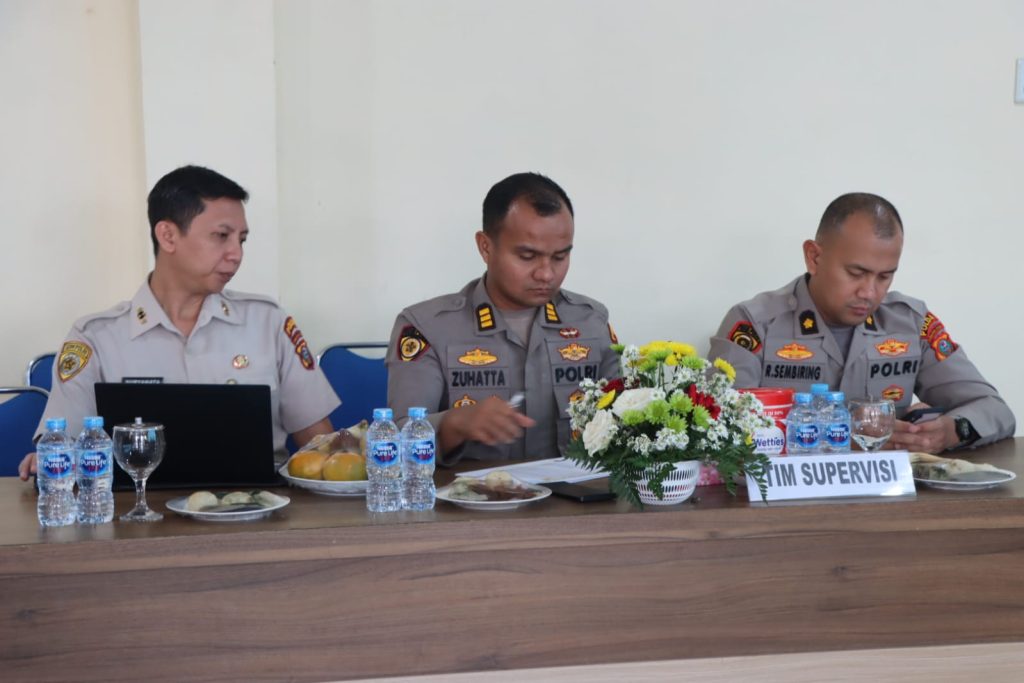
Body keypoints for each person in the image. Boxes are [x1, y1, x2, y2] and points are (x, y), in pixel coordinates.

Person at [19, 165, 338, 479]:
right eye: (221, 236)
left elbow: (321, 445)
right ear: (168, 236)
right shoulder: (96, 338)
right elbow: (63, 447)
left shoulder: (268, 322)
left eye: (241, 240)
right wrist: (49, 459)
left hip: (259, 504)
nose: (236, 254)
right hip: (136, 508)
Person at [708, 192, 1015, 454]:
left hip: (888, 499)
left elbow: (994, 408)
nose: (869, 292)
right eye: (856, 273)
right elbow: (715, 430)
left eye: (884, 276)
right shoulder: (754, 325)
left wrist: (951, 431)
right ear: (814, 257)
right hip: (787, 501)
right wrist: (843, 438)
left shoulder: (911, 324)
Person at [386, 172, 619, 463]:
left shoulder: (590, 322)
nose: (546, 273)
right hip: (468, 493)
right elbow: (395, 443)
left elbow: (630, 423)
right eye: (527, 256)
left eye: (560, 257)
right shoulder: (428, 328)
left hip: (576, 492)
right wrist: (454, 424)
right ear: (485, 247)